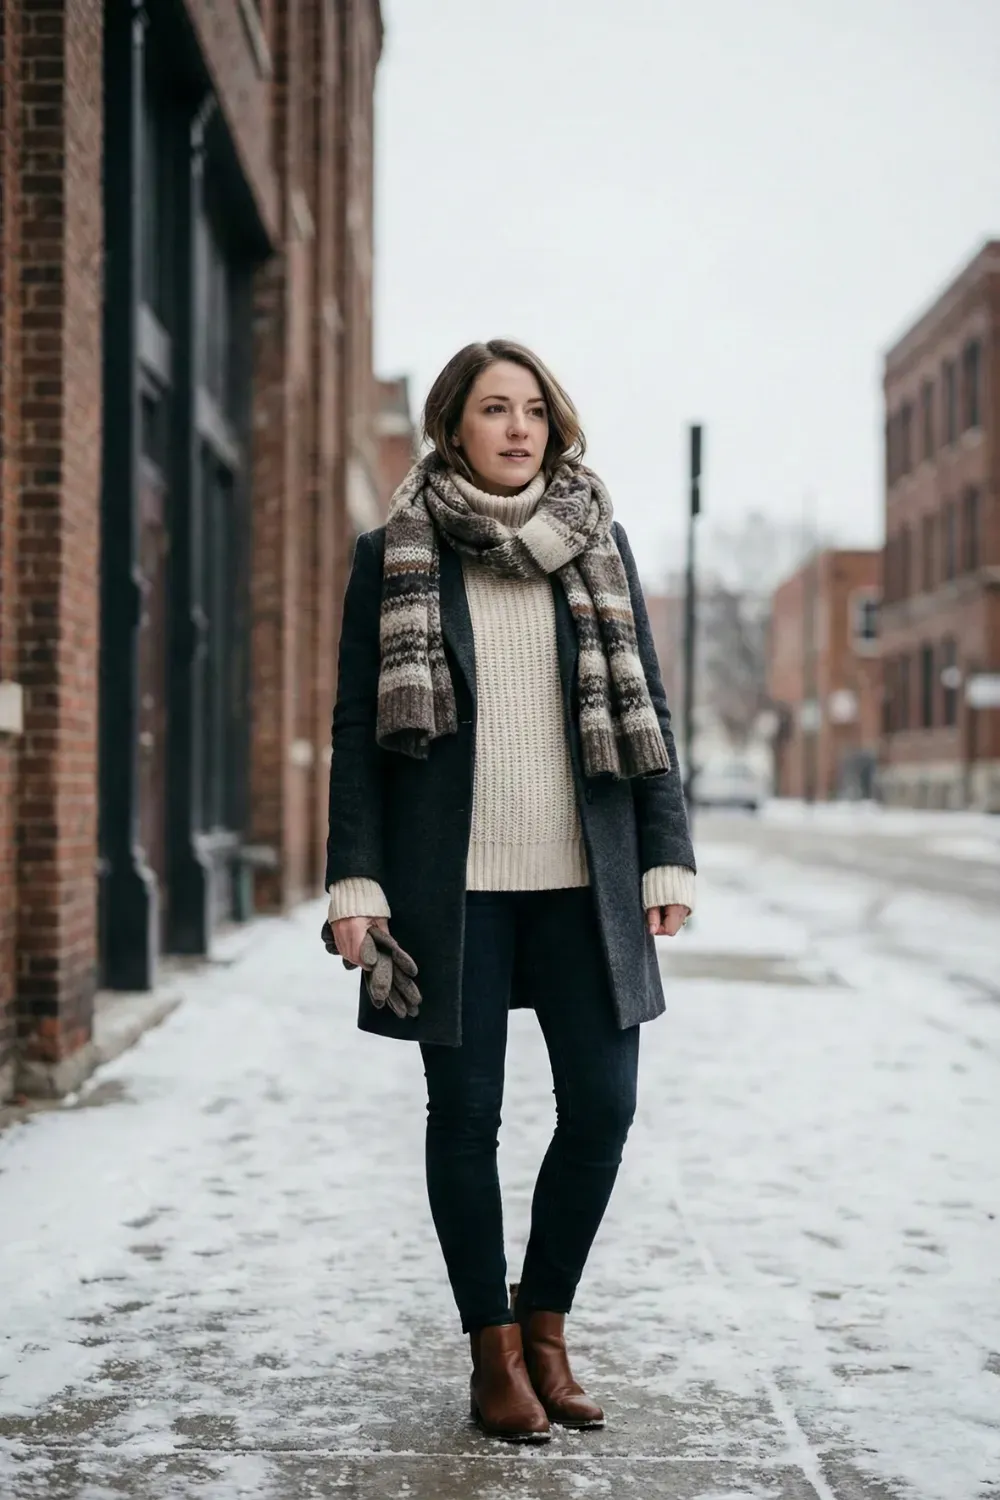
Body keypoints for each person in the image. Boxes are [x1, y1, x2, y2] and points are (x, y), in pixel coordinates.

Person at [325, 339, 696, 1444]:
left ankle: (547, 1326)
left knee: (602, 1108)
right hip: (457, 890)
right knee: (467, 1119)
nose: (519, 427)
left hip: (587, 882)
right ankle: (492, 1353)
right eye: (495, 409)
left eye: (534, 408)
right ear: (453, 426)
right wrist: (356, 877)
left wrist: (666, 852)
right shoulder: (392, 553)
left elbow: (653, 717)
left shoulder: (600, 542)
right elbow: (357, 730)